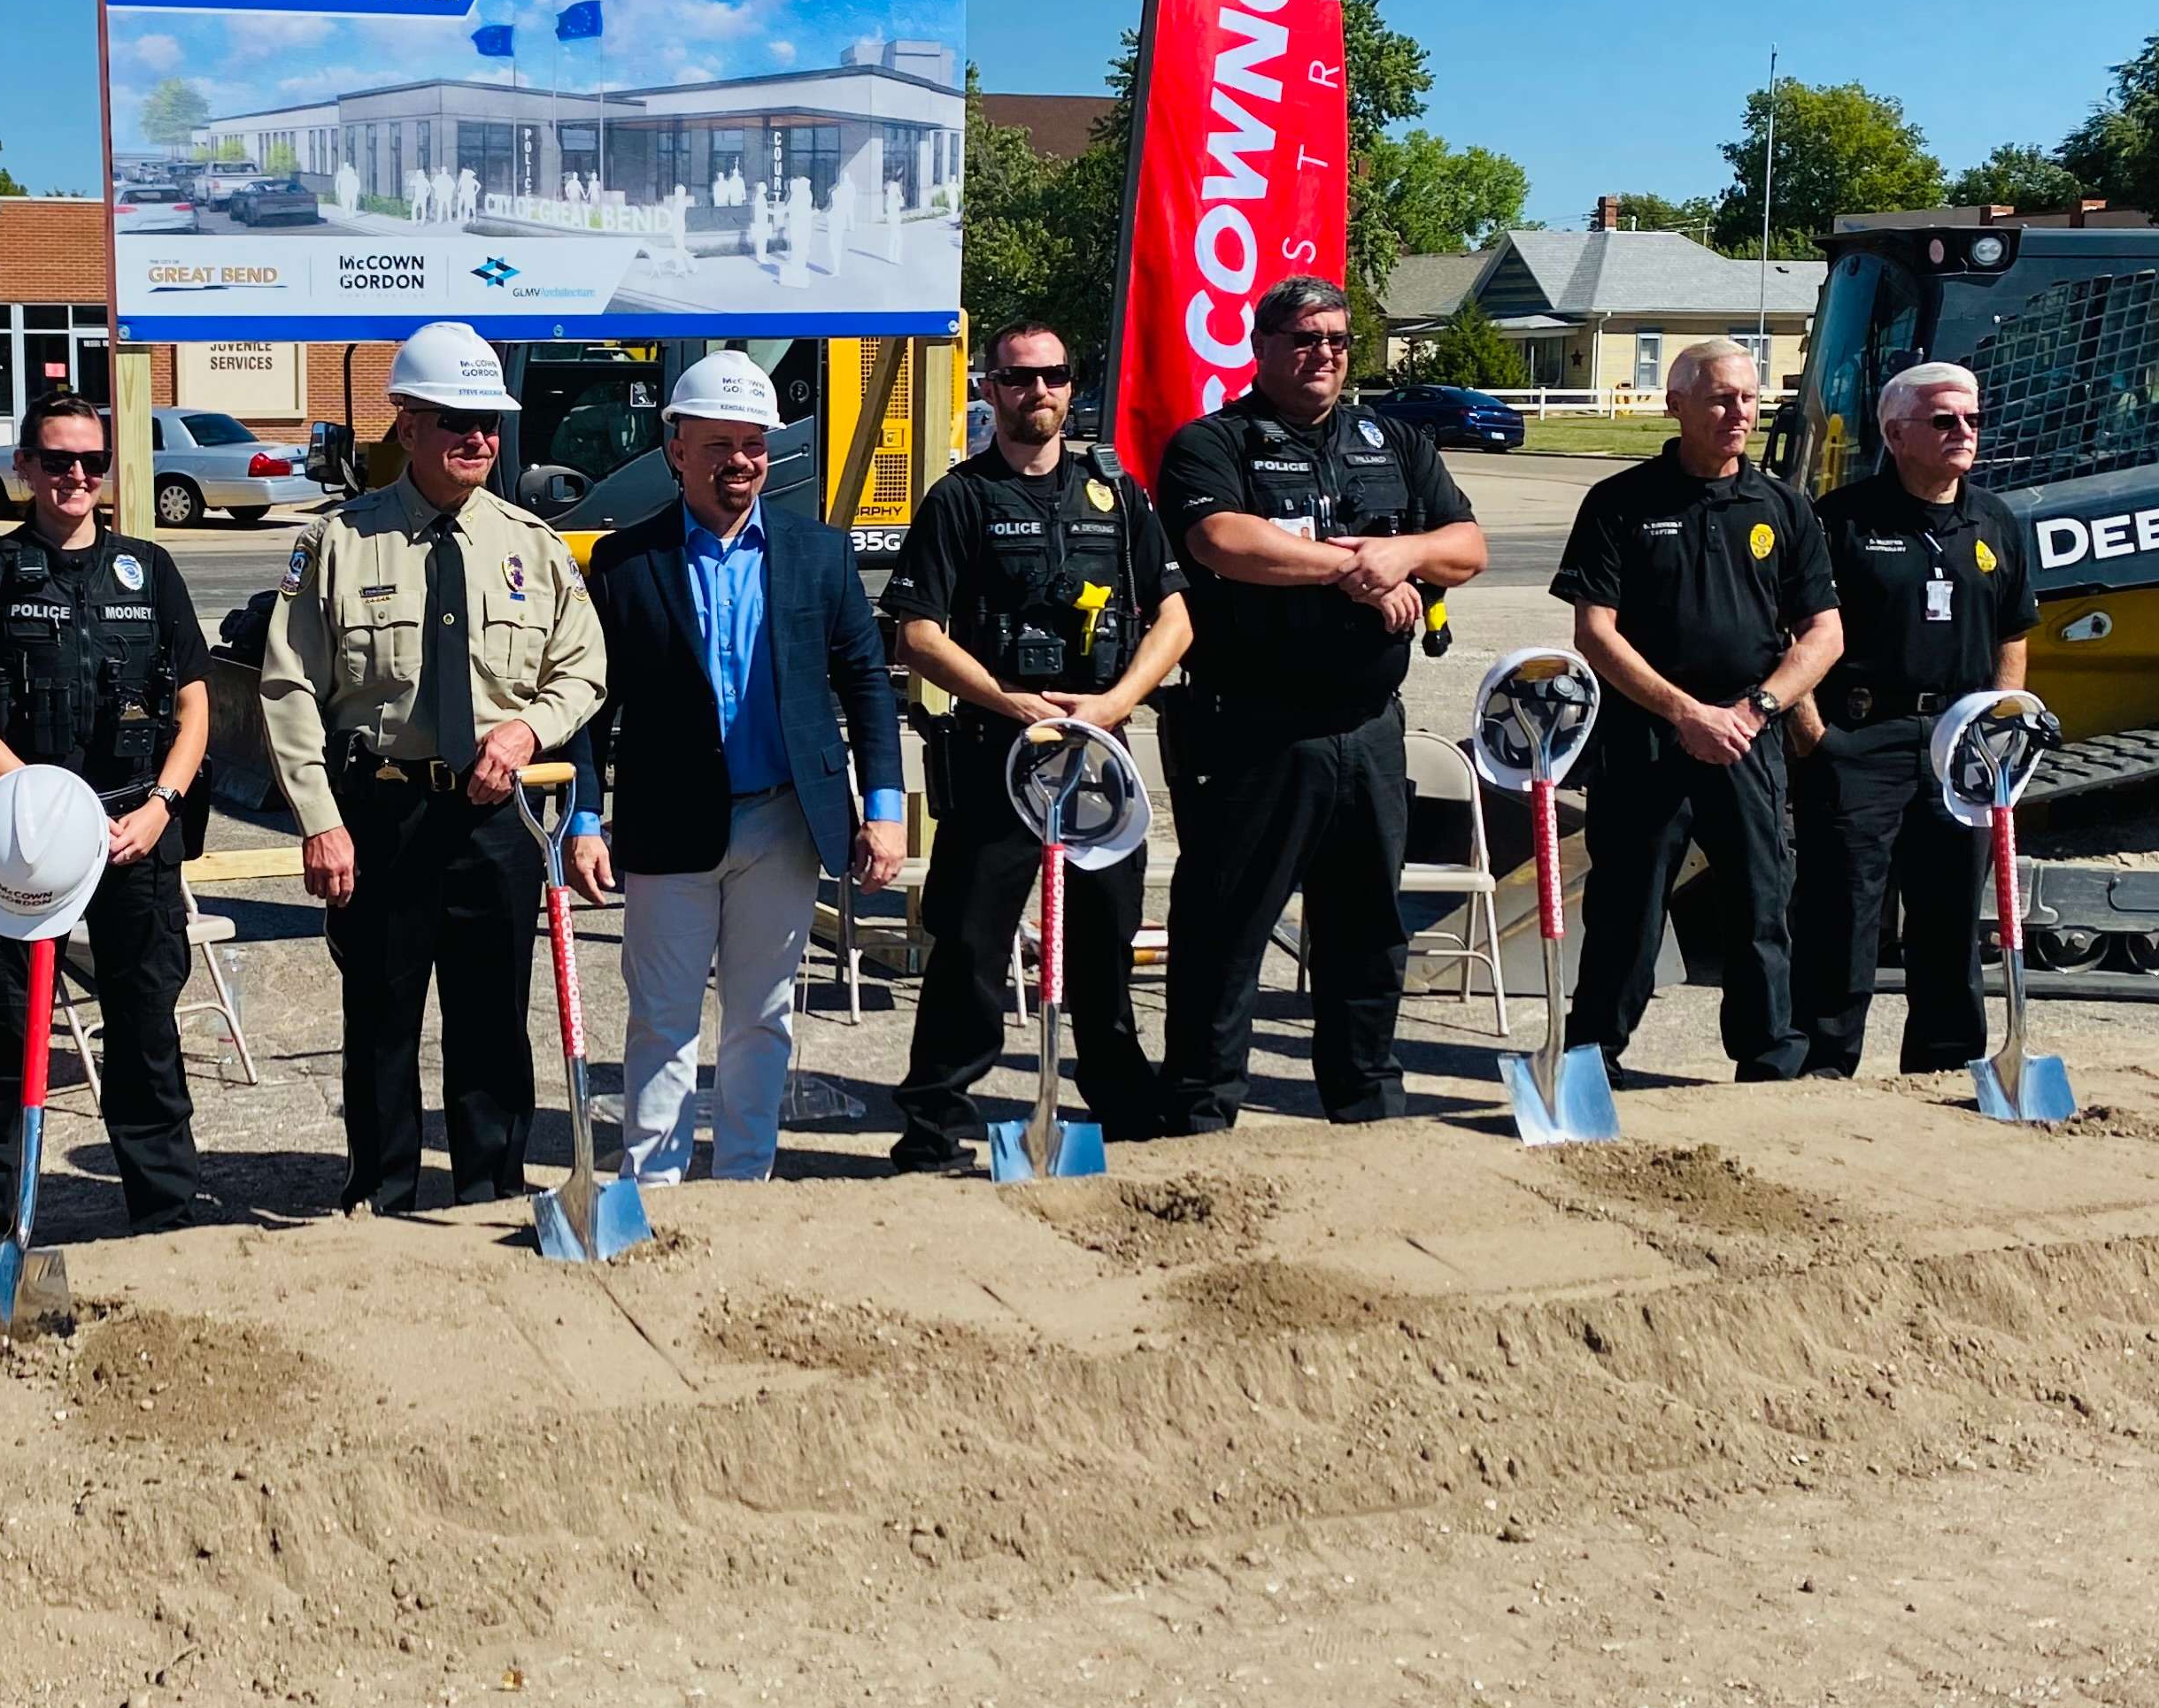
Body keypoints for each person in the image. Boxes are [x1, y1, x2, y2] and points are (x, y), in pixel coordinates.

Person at [262, 319, 607, 1212]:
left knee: (493, 1021)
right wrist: (319, 818)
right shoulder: (339, 543)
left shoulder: (534, 544)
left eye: (489, 421)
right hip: (382, 814)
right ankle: (380, 1195)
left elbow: (583, 670)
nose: (479, 438)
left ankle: (491, 1189)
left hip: (497, 818)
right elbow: (289, 684)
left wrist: (529, 731)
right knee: (380, 1018)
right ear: (407, 424)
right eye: (456, 420)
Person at [563, 350, 903, 1183]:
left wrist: (884, 804)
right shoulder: (624, 561)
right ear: (676, 448)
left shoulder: (817, 554)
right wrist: (584, 815)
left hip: (785, 821)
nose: (740, 461)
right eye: (719, 444)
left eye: (753, 443)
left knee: (761, 1018)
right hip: (667, 822)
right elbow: (589, 699)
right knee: (663, 1021)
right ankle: (654, 1191)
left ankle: (745, 1185)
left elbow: (864, 677)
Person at [1156, 279, 1489, 1128]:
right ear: (1260, 343)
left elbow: (1467, 545)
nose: (1325, 354)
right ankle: (1199, 1113)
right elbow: (1221, 540)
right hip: (1255, 729)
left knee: (1369, 932)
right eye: (1305, 338)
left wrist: (1405, 549)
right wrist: (1359, 569)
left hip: (1369, 730)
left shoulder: (1396, 440)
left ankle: (1365, 1100)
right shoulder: (1213, 442)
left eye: (1339, 339)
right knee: (1227, 934)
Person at [881, 320, 1193, 1168]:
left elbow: (1174, 616)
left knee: (1105, 939)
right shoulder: (961, 498)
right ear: (990, 388)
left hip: (1097, 758)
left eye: (1053, 375)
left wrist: (1116, 702)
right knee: (972, 946)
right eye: (1018, 378)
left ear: (1070, 382)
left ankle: (1121, 1102)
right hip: (998, 755)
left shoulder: (1116, 493)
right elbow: (918, 633)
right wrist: (1011, 700)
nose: (1038, 392)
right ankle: (935, 1119)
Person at [0, 389, 215, 1245]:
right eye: (56, 460)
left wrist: (163, 803)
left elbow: (195, 709)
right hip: (23, 846)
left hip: (135, 838)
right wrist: (48, 807)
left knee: (146, 1031)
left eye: (90, 460)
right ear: (25, 468)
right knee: (10, 1035)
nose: (75, 476)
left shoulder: (150, 570)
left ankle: (166, 1215)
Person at [1553, 337, 1840, 1078]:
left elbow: (1824, 632)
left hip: (1750, 738)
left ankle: (1766, 1058)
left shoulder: (1782, 505)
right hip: (1647, 741)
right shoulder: (1620, 502)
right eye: (1718, 397)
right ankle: (1590, 1057)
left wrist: (1758, 707)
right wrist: (1685, 713)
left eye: (1747, 397)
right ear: (1676, 404)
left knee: (1760, 905)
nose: (1736, 412)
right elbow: (1594, 631)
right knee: (1627, 909)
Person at [1788, 360, 2033, 1077]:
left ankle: (1948, 1060)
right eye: (1944, 420)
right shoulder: (1840, 521)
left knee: (1952, 915)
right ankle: (1824, 1063)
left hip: (1962, 748)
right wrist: (1812, 733)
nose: (1964, 433)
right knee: (1844, 910)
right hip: (1861, 738)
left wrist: (2000, 725)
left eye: (1973, 419)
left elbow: (2015, 632)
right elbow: (1792, 629)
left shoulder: (1993, 520)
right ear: (1897, 434)